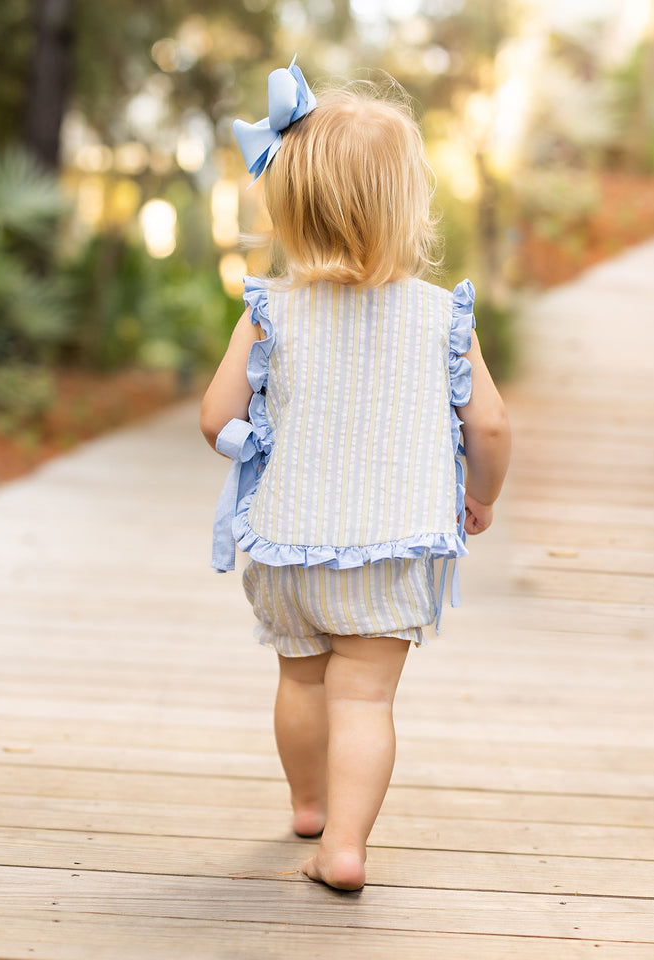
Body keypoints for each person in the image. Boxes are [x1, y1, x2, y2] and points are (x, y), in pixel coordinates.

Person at [200, 60, 511, 891]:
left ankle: (308, 804)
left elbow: (214, 419)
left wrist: (259, 436)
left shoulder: (270, 312)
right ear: (409, 204)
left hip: (289, 544)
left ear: (289, 206)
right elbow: (488, 423)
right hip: (394, 545)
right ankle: (345, 845)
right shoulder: (442, 315)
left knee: (301, 681)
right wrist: (479, 495)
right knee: (365, 700)